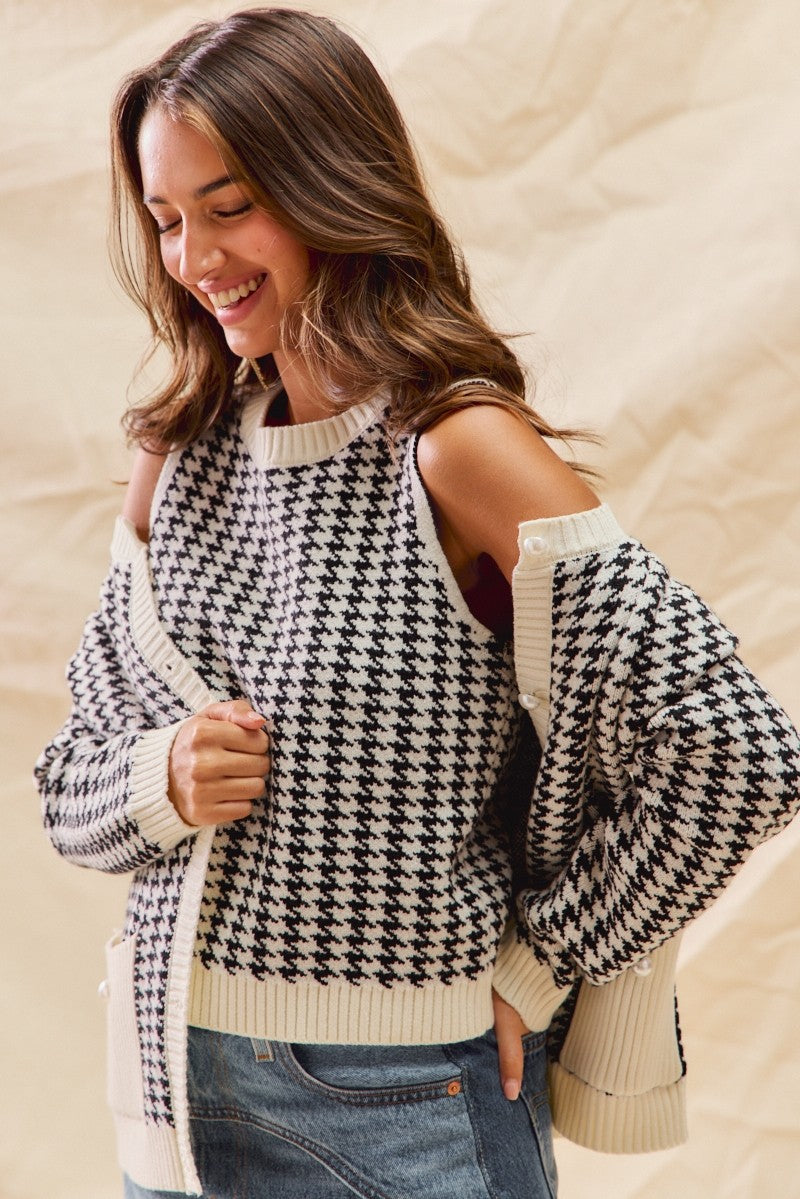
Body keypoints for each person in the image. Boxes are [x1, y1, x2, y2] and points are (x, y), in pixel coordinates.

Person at [34, 9, 800, 1198]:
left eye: (229, 207)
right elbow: (66, 787)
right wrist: (160, 778)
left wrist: (540, 965)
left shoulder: (453, 449)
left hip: (395, 1112)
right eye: (167, 218)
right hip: (169, 1110)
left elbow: (736, 753)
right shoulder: (180, 461)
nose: (193, 257)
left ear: (330, 184)